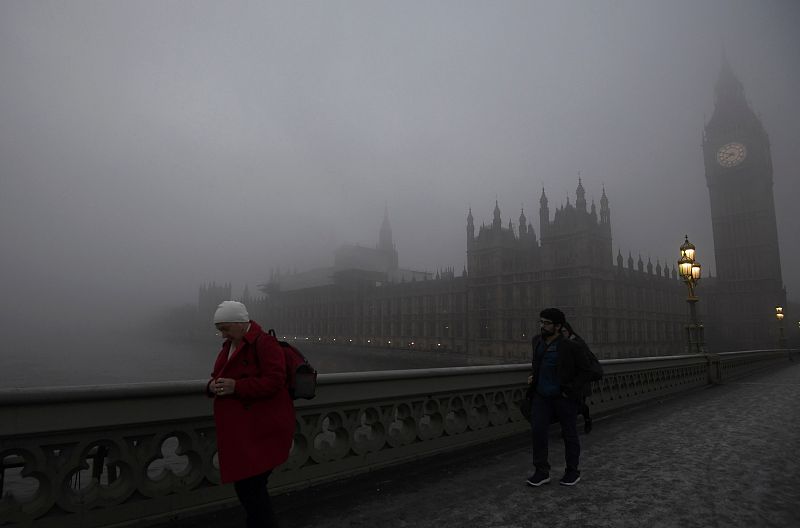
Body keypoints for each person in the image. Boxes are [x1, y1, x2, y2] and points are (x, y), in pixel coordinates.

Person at [207, 301, 295, 528]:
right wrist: (211, 386)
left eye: (225, 328)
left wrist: (237, 387)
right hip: (243, 430)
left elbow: (275, 381)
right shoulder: (229, 345)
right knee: (250, 488)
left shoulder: (265, 343)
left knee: (250, 488)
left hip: (263, 428)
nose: (221, 334)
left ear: (240, 323)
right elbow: (217, 375)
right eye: (219, 329)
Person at [526, 308, 594, 487]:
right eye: (541, 322)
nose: (542, 326)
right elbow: (538, 364)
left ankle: (572, 471)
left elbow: (587, 371)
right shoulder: (536, 342)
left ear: (558, 326)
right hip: (541, 396)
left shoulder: (571, 346)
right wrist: (535, 376)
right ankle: (541, 471)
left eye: (546, 323)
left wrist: (570, 390)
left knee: (569, 434)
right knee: (538, 432)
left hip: (563, 397)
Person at [560, 321, 593, 434]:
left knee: (578, 405)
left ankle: (587, 418)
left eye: (564, 331)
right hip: (568, 382)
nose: (562, 334)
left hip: (580, 381)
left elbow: (586, 364)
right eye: (560, 332)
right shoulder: (561, 344)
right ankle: (567, 430)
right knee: (568, 406)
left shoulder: (578, 342)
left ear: (569, 331)